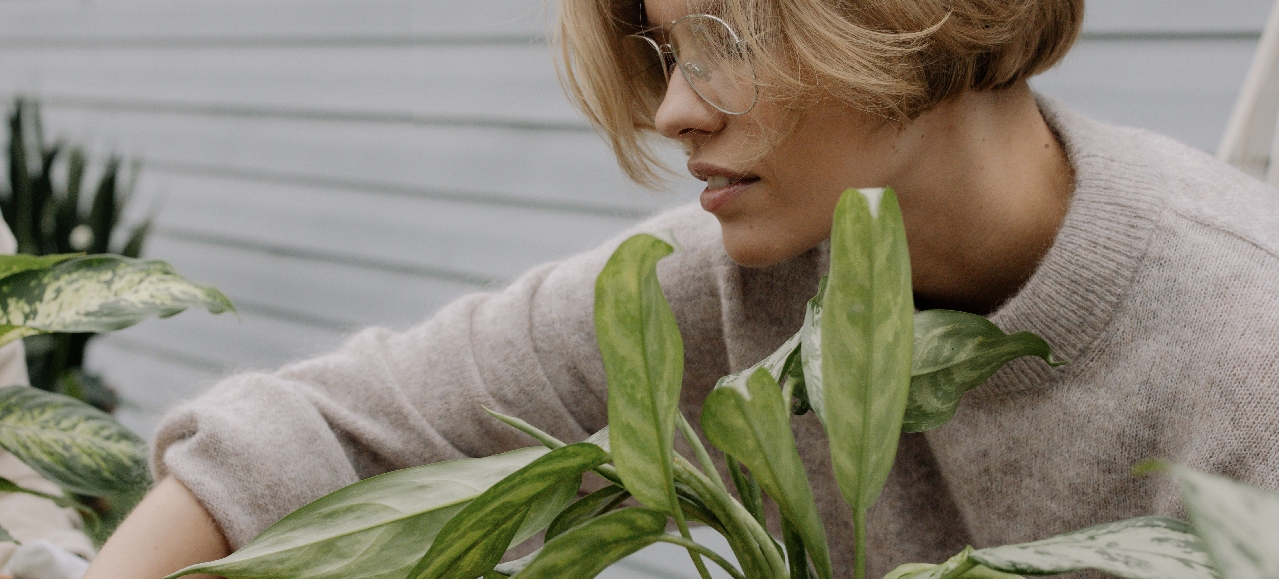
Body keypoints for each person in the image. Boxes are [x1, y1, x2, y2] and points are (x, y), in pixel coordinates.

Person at [86, 0, 1279, 576]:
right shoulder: (726, 284)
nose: (672, 109)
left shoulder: (1242, 337)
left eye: (729, 35)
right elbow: (336, 426)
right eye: (664, 47)